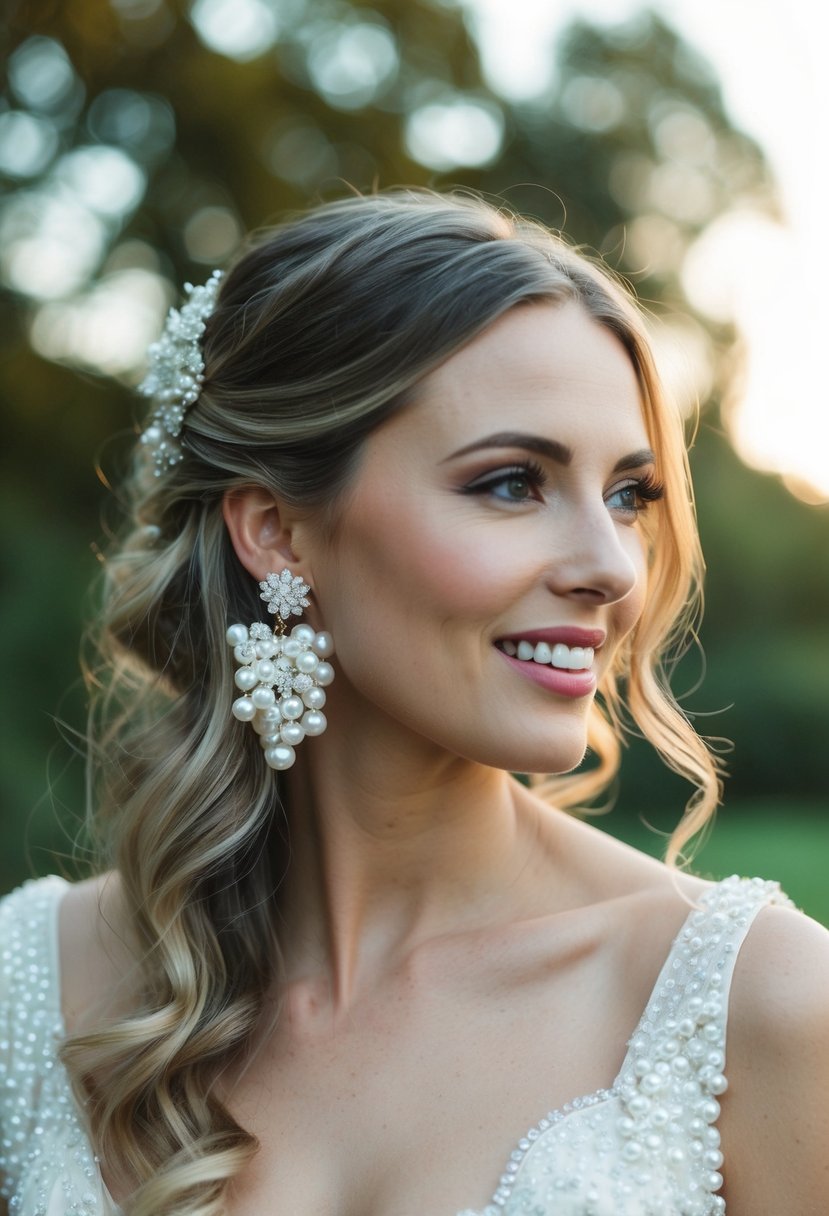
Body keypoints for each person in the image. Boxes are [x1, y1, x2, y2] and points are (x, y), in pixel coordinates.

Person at [0, 190, 826, 1216]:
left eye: (628, 495)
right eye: (512, 482)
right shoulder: (27, 990)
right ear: (276, 532)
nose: (611, 568)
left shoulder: (759, 1004)